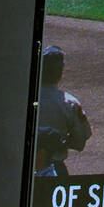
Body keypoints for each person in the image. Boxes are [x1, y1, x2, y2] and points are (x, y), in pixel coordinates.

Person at [36, 46, 92, 177]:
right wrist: (59, 143)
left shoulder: (21, 99)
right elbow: (80, 142)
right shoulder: (69, 103)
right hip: (54, 169)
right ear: (60, 72)